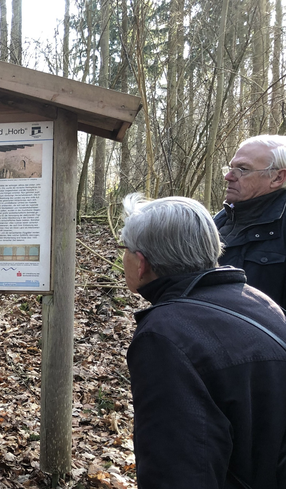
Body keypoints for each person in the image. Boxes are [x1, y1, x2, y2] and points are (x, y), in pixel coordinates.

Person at [120, 192, 286, 488]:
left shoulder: (165, 335)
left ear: (141, 262)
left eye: (125, 249)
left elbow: (177, 468)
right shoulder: (259, 302)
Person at [214, 135, 286, 308]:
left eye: (243, 169)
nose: (228, 176)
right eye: (231, 168)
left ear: (277, 178)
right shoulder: (221, 220)